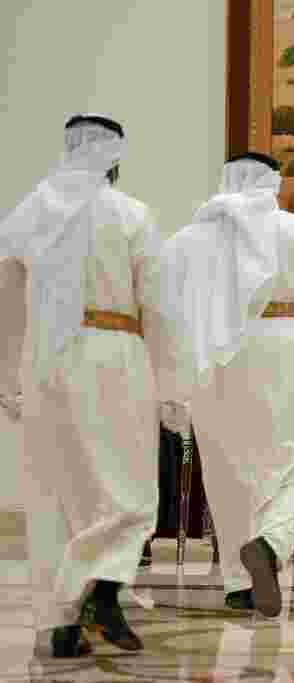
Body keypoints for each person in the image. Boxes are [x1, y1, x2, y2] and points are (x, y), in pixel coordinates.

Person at [0, 114, 168, 656]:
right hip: (113, 352)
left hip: (43, 359)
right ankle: (101, 588)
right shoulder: (132, 214)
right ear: (116, 158)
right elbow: (159, 306)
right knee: (130, 488)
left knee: (54, 492)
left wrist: (7, 374)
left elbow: (5, 302)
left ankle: (62, 625)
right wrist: (174, 380)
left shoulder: (28, 212)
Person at [157, 152, 294, 618]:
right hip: (290, 351)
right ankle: (270, 545)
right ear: (273, 183)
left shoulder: (188, 239)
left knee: (227, 474)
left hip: (217, 360)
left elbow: (161, 306)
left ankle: (239, 586)